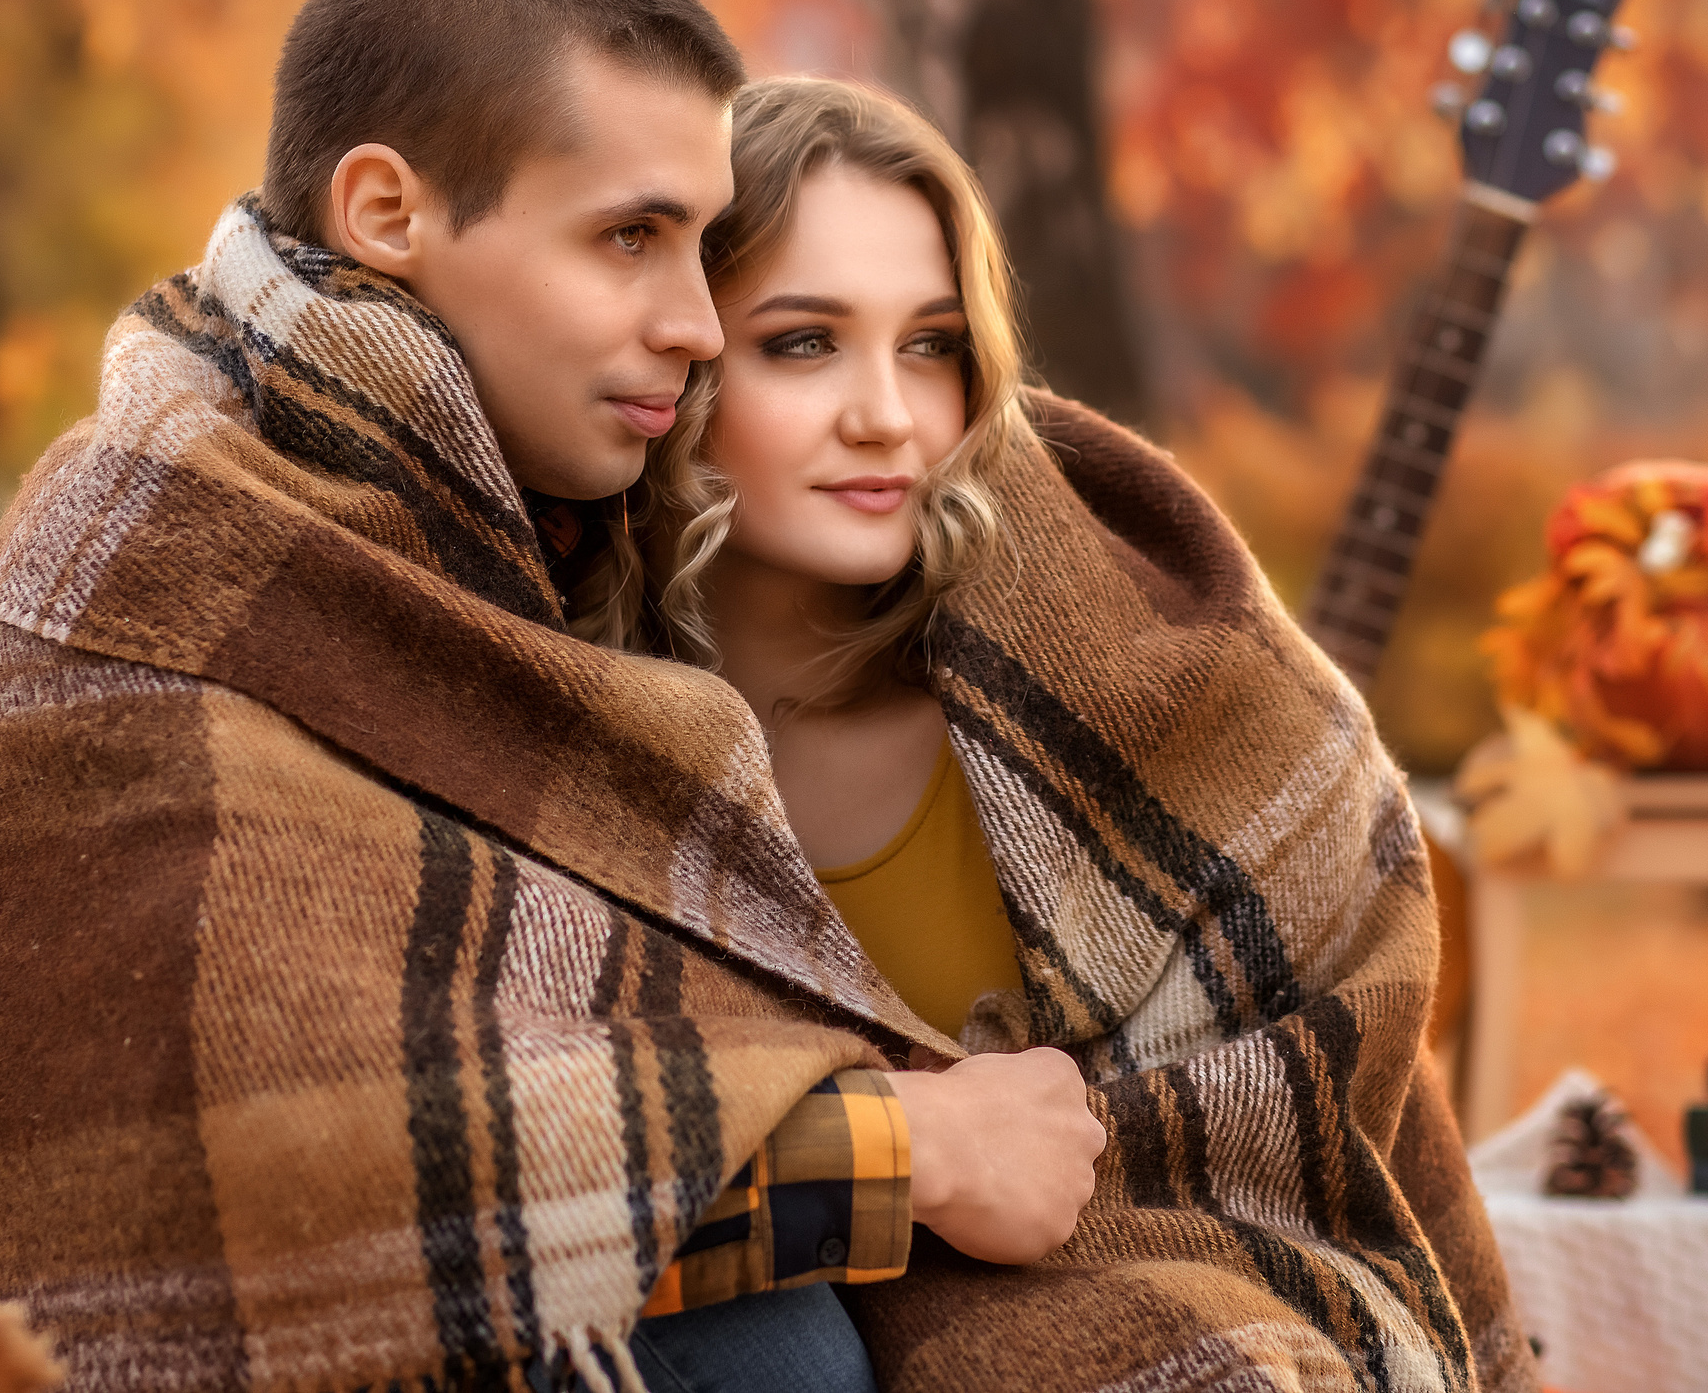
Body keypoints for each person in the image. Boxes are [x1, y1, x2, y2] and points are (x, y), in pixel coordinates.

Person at [0, 0, 1108, 1393]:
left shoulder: (501, 554)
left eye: (701, 248)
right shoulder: (167, 544)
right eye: (631, 238)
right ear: (388, 216)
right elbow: (292, 1166)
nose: (697, 323)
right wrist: (905, 1148)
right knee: (765, 1352)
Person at [574, 76, 1540, 1391]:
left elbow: (1322, 1103)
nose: (888, 416)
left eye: (930, 345)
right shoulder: (557, 719)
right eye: (802, 343)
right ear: (671, 358)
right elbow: (526, 1146)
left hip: (1146, 1292)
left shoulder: (1141, 705)